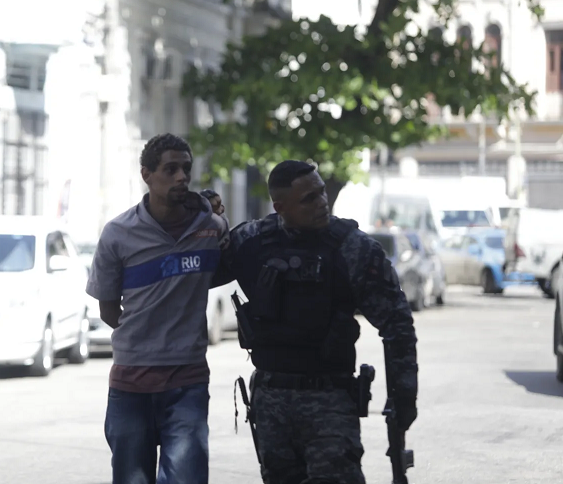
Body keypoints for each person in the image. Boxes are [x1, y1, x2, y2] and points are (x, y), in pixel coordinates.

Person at [216, 160, 418, 484]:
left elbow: (396, 324)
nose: (322, 202)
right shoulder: (252, 241)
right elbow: (199, 272)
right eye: (308, 199)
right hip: (271, 400)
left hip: (329, 401)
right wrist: (202, 220)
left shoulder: (354, 248)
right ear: (280, 207)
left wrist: (404, 395)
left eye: (321, 192)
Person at [86, 133, 229, 484]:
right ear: (147, 174)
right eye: (170, 169)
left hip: (187, 382)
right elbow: (108, 311)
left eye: (186, 169)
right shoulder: (118, 234)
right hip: (131, 383)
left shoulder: (210, 228)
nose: (181, 176)